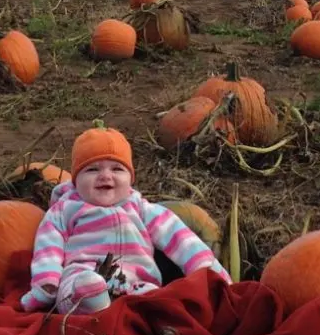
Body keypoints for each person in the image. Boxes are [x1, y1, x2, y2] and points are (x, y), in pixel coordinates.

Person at [20, 123, 232, 314]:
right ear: (76, 180)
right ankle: (91, 304)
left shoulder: (141, 208)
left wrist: (207, 268)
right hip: (84, 273)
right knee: (80, 288)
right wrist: (46, 282)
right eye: (92, 169)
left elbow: (179, 237)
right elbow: (48, 246)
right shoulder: (66, 209)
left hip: (137, 281)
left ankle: (147, 313)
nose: (105, 176)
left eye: (117, 169)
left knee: (160, 300)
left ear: (130, 179)